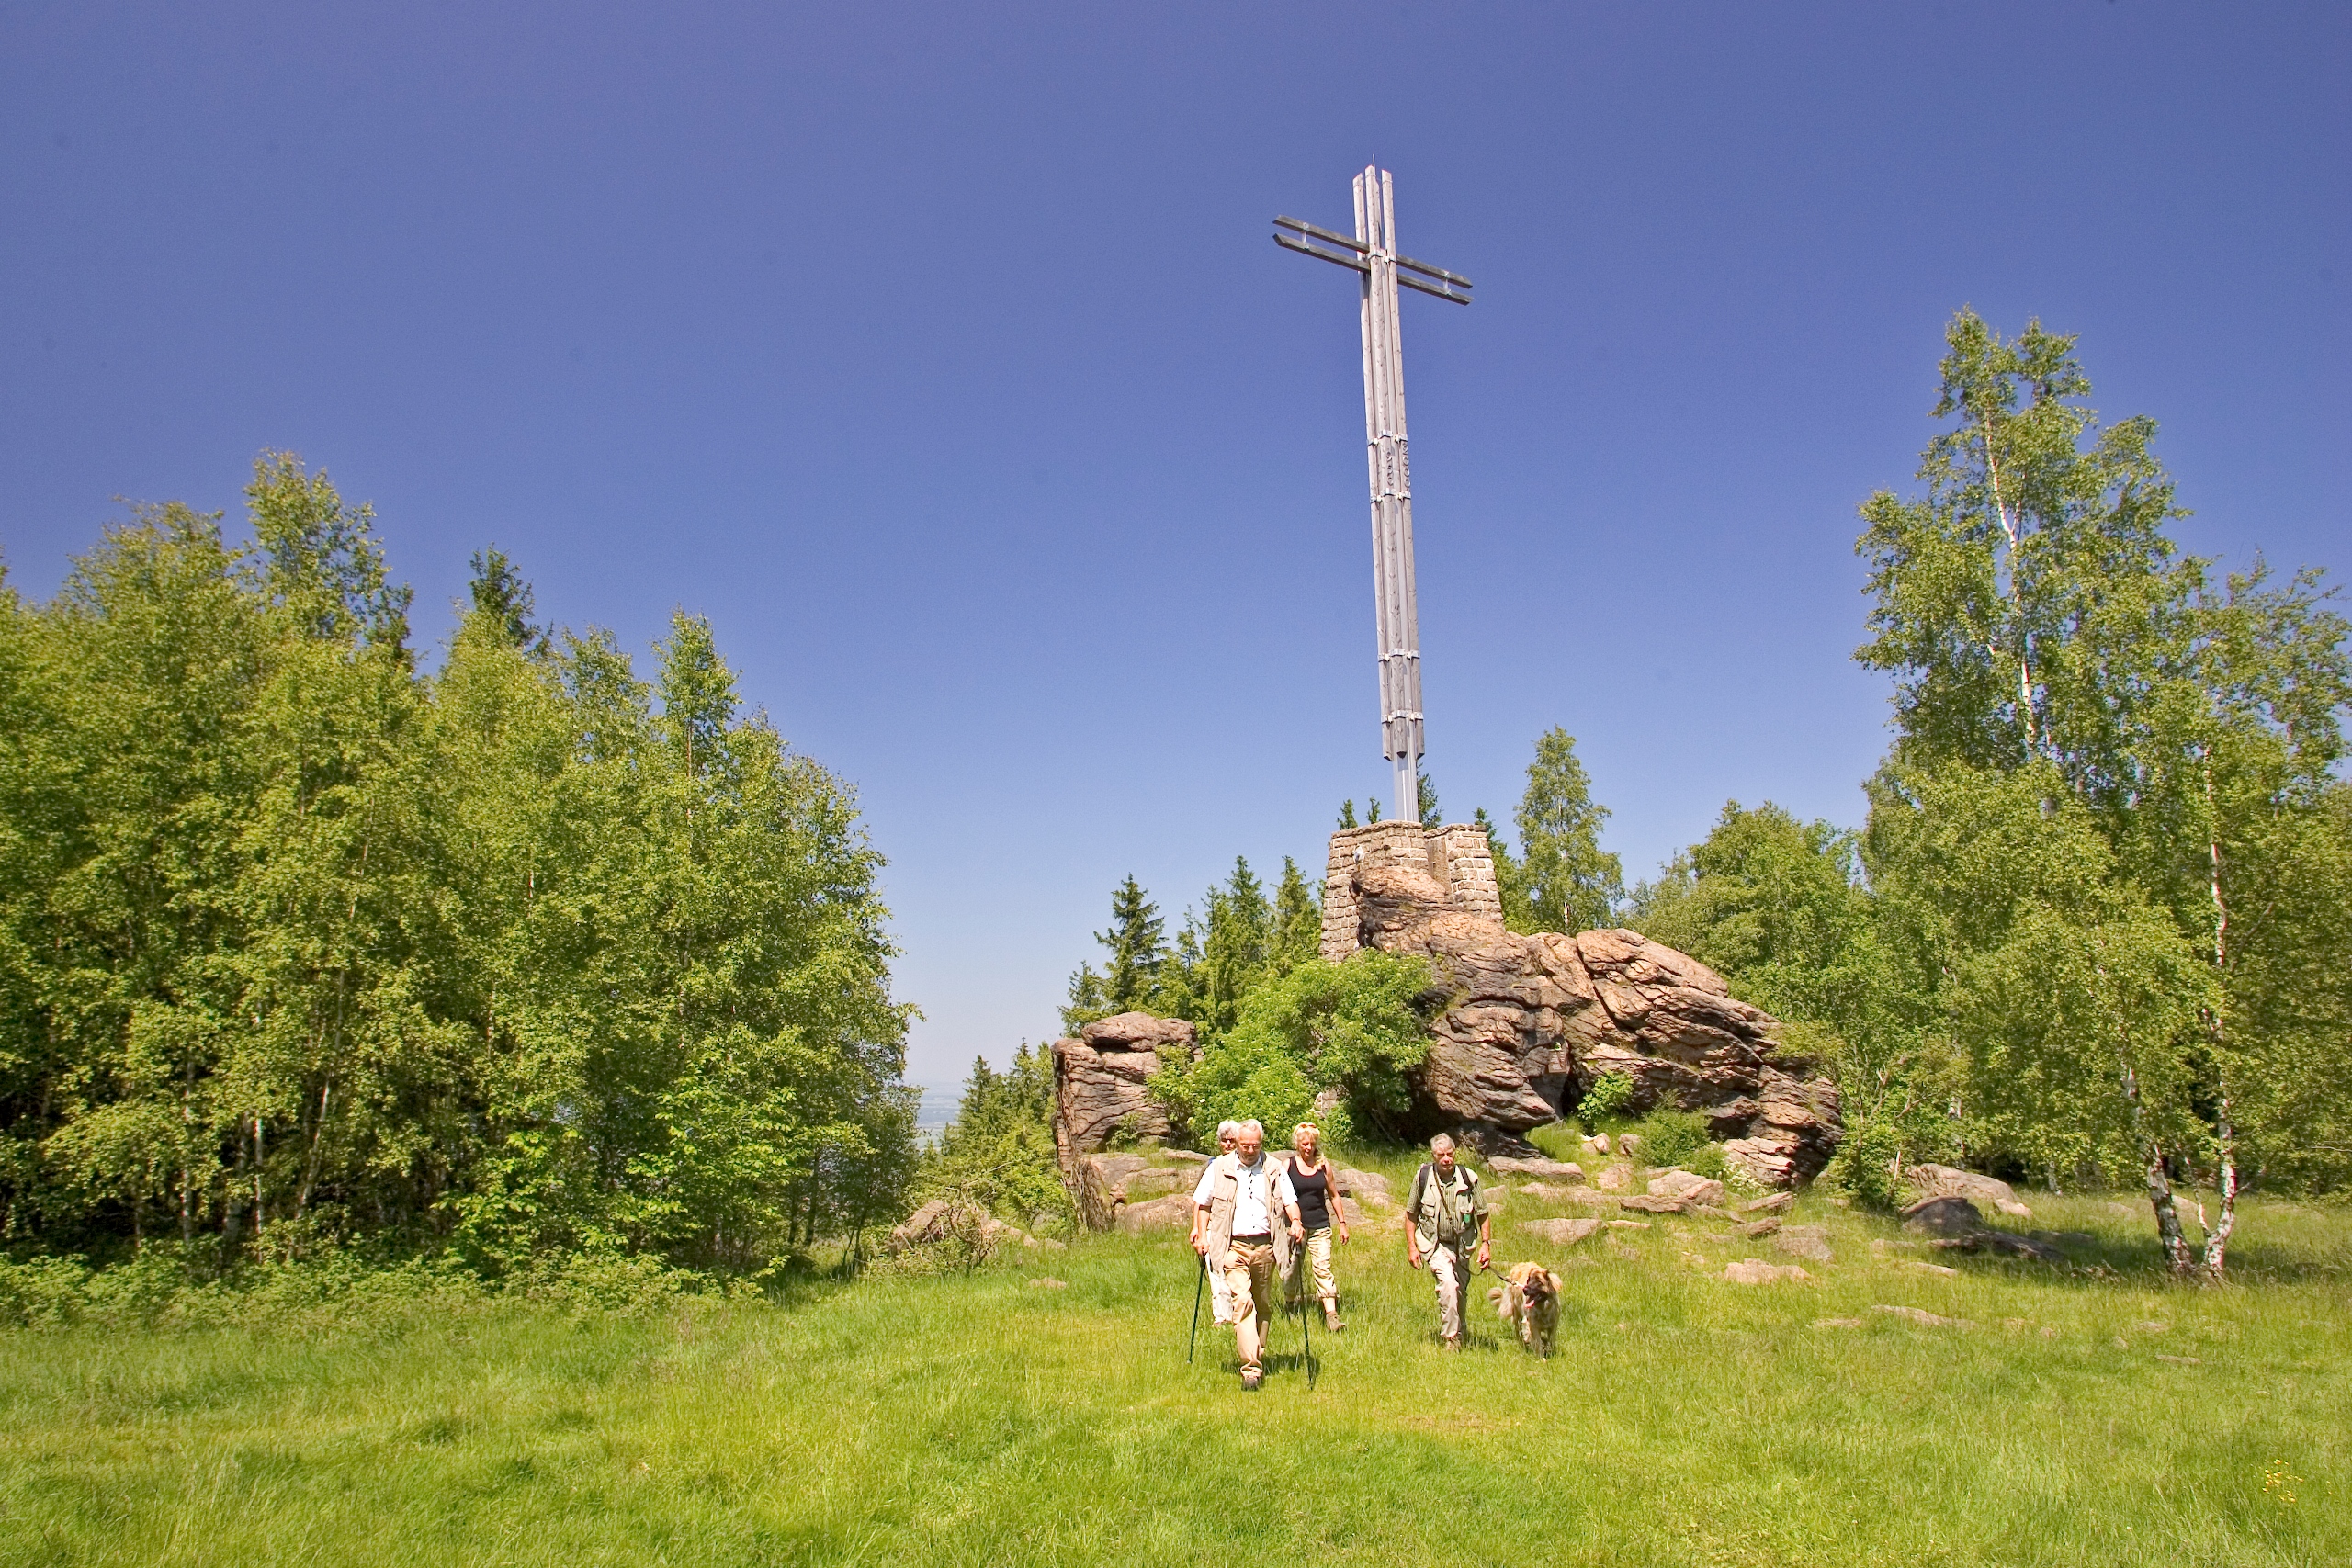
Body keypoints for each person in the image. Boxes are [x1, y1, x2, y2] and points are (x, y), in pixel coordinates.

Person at [1192, 1119, 1295, 1390]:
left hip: (1265, 1246)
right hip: (1232, 1246)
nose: (1250, 1150)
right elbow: (1203, 1204)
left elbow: (1289, 1201)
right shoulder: (1219, 1168)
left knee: (1262, 1303)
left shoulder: (1273, 1168)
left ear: (1261, 1143)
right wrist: (1201, 1234)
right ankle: (1251, 1369)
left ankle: (1257, 1352)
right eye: (1245, 1145)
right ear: (1236, 1142)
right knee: (1242, 1302)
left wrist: (1295, 1222)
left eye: (1255, 1145)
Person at [1404, 1132, 1490, 1348]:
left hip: (1463, 1245)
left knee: (1460, 1291)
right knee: (1448, 1287)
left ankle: (1461, 1331)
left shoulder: (1469, 1178)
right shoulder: (1422, 1178)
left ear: (1455, 1153)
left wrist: (1486, 1245)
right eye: (1441, 1154)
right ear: (1433, 1156)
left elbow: (1483, 1213)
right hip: (1435, 1244)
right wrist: (1412, 1248)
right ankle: (1451, 1339)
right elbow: (1410, 1214)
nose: (1446, 1159)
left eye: (1449, 1154)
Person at [1280, 1122, 1350, 1332]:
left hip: (1320, 1225)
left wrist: (1343, 1224)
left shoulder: (1323, 1165)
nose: (1308, 1147)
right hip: (1295, 1228)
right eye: (1304, 1143)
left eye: (1311, 1143)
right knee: (1292, 1269)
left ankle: (1331, 1316)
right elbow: (1280, 1196)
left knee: (1322, 1268)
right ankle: (1290, 1305)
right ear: (1297, 1144)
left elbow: (1334, 1195)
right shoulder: (1288, 1166)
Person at [1195, 1122, 1241, 1325]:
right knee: (1217, 1273)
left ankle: (1241, 1315)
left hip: (1240, 1229)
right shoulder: (1213, 1167)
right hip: (1216, 1228)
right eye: (1225, 1140)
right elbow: (1201, 1203)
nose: (1229, 1144)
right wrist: (1198, 1230)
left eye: (1233, 1140)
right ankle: (1222, 1317)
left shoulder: (1246, 1166)